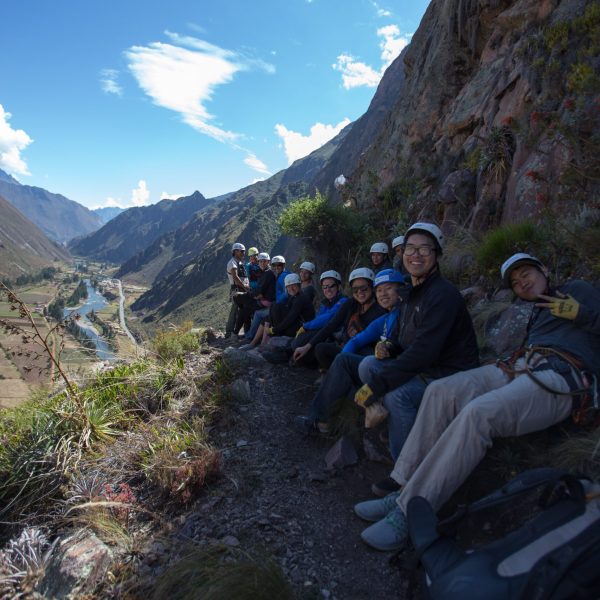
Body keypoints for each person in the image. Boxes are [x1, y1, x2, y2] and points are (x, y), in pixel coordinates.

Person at [355, 252, 600, 552]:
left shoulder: (577, 290)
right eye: (515, 281)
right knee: (440, 392)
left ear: (544, 269)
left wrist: (581, 314)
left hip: (563, 375)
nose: (521, 281)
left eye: (526, 273)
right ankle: (405, 485)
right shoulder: (537, 311)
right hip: (520, 366)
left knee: (477, 414)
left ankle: (412, 512)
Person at [355, 223, 479, 498]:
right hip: (426, 367)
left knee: (397, 394)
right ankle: (394, 429)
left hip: (449, 374)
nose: (416, 255)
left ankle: (406, 472)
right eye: (410, 248)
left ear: (437, 254)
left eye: (425, 249)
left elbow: (424, 352)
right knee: (367, 365)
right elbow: (405, 342)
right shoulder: (411, 295)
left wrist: (377, 386)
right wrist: (390, 346)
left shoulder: (442, 295)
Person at [293, 268, 405, 435]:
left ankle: (321, 420)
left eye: (388, 289)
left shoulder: (399, 313)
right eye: (380, 290)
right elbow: (352, 336)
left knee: (349, 359)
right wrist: (339, 357)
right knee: (328, 353)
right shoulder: (384, 316)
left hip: (382, 362)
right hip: (374, 359)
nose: (383, 294)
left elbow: (405, 346)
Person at [292, 267, 386, 370]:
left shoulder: (380, 310)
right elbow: (331, 325)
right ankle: (330, 370)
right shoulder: (350, 304)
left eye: (364, 288)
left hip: (364, 351)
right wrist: (307, 346)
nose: (360, 292)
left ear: (372, 287)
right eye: (355, 289)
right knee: (319, 349)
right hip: (345, 346)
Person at [290, 270, 348, 364]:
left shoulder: (343, 301)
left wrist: (305, 326)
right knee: (299, 343)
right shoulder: (325, 302)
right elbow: (319, 319)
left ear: (338, 286)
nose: (327, 289)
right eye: (324, 287)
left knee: (298, 343)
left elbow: (328, 318)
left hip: (335, 337)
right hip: (325, 333)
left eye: (331, 286)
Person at [244, 255, 290, 342]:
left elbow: (286, 293)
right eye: (274, 265)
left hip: (281, 308)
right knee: (257, 312)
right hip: (278, 306)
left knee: (258, 313)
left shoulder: (283, 277)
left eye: (279, 265)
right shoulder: (280, 275)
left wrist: (276, 304)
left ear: (283, 265)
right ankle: (252, 337)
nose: (276, 267)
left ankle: (249, 338)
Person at [225, 242, 249, 338]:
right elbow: (235, 277)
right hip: (237, 289)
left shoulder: (238, 262)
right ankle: (229, 332)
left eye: (244, 251)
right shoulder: (232, 263)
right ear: (235, 251)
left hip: (241, 288)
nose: (243, 253)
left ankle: (244, 331)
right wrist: (245, 286)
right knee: (235, 310)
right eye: (242, 251)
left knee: (243, 309)